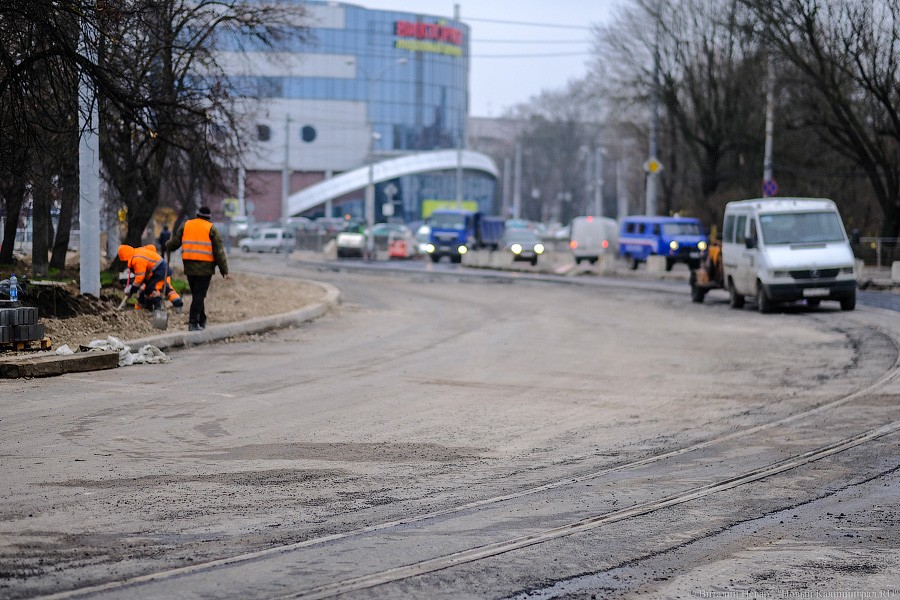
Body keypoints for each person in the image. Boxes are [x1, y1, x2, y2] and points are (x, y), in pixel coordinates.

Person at [167, 205, 230, 331]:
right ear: (208, 218)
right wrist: (224, 271)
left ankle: (202, 320)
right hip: (205, 269)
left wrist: (167, 246)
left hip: (189, 267)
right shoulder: (210, 228)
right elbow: (219, 252)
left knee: (197, 295)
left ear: (197, 215)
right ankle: (193, 322)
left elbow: (175, 243)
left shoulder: (187, 225)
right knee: (199, 296)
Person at [117, 244, 169, 311]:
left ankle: (158, 310)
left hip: (159, 270)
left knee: (151, 290)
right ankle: (150, 309)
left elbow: (140, 277)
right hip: (158, 270)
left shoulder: (137, 259)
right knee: (147, 290)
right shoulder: (136, 254)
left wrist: (132, 290)